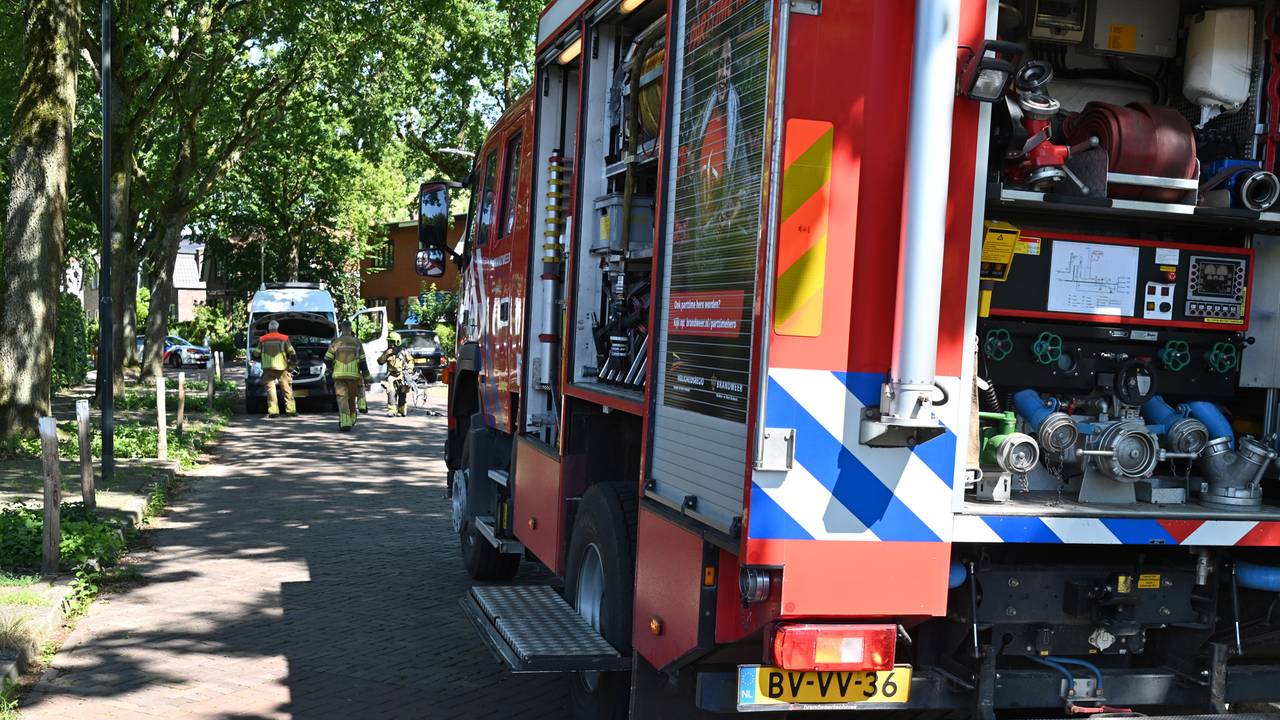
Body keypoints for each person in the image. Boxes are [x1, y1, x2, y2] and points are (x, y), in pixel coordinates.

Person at [324, 321, 370, 431]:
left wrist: (331, 368)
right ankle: (353, 417)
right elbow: (363, 362)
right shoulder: (357, 342)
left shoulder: (335, 342)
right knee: (351, 397)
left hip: (339, 375)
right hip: (354, 376)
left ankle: (345, 422)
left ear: (341, 329)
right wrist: (367, 377)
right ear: (350, 329)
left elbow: (327, 359)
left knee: (342, 398)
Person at [252, 320, 297, 418]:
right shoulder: (284, 338)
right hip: (282, 368)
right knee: (287, 389)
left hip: (268, 368)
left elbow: (256, 353)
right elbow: (292, 353)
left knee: (270, 390)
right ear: (277, 328)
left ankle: (273, 412)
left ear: (269, 328)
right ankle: (291, 411)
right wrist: (292, 365)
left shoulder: (262, 339)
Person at [378, 332, 412, 416]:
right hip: (392, 375)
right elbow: (380, 361)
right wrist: (386, 354)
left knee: (402, 392)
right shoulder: (387, 352)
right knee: (391, 391)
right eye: (389, 342)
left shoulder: (403, 352)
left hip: (402, 375)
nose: (389, 344)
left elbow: (411, 360)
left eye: (391, 342)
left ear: (396, 342)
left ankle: (401, 410)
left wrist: (410, 369)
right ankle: (392, 410)